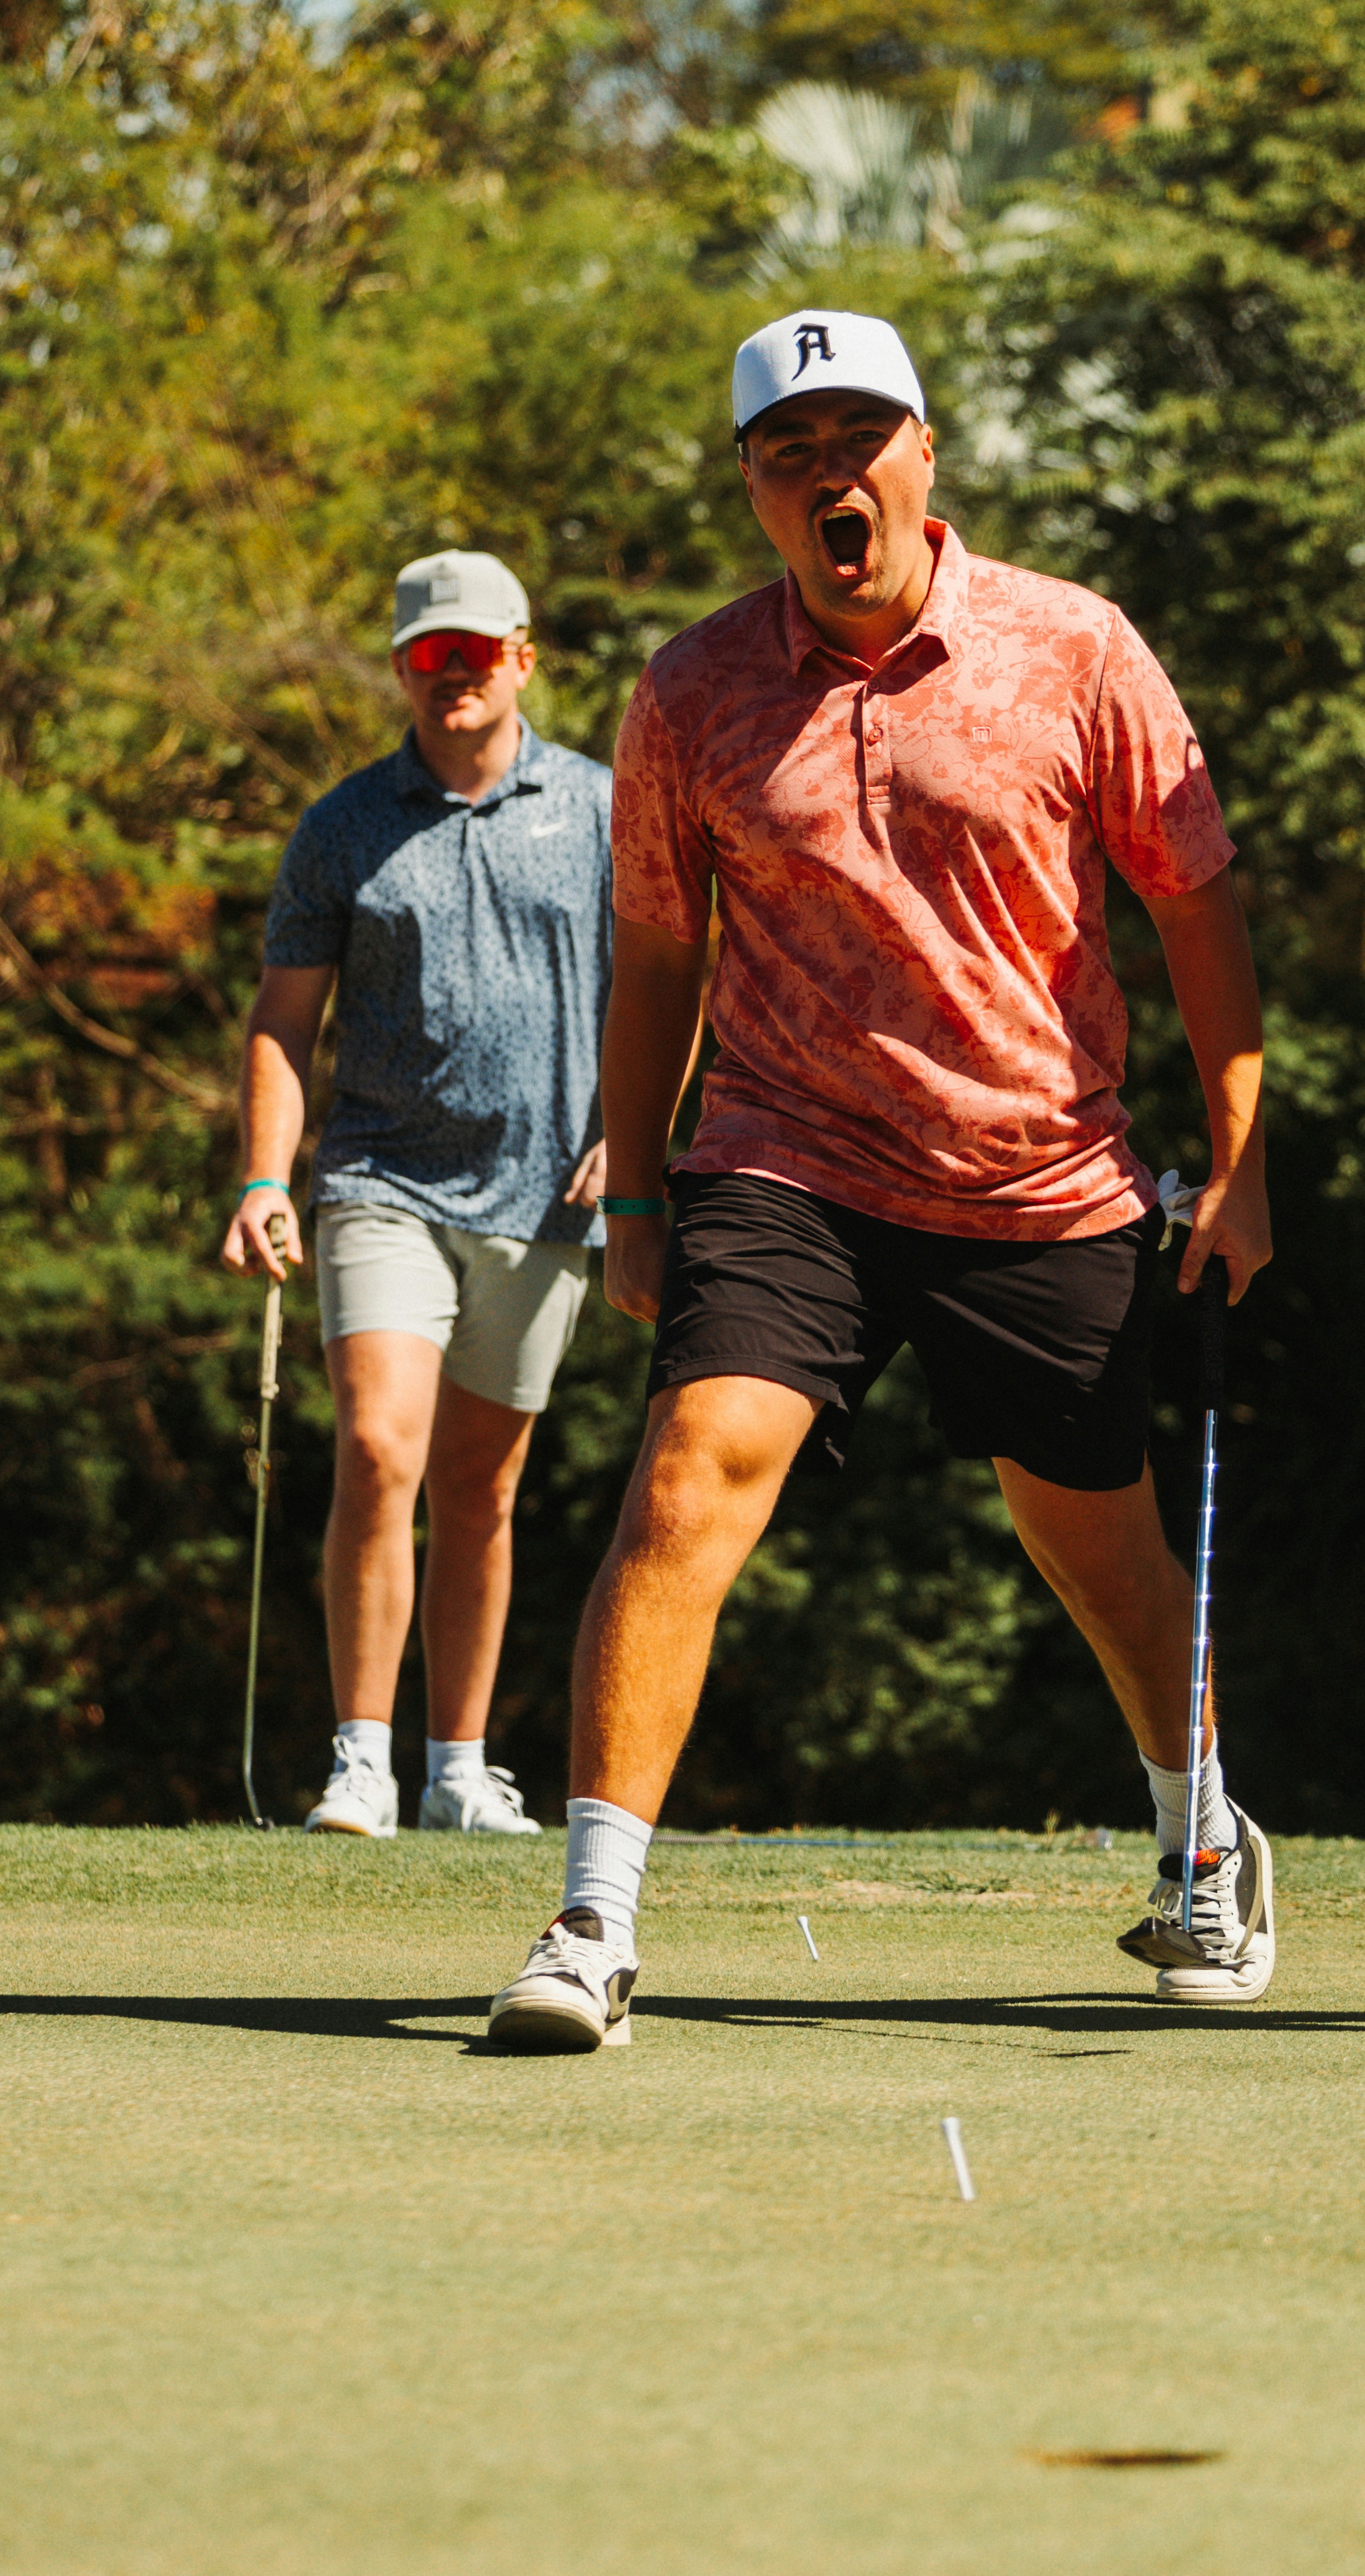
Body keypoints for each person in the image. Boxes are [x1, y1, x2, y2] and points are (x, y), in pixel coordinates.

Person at [482, 307, 1274, 2053]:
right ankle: (590, 1919)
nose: (829, 477)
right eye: (789, 453)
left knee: (1099, 1546)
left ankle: (1199, 1829)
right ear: (756, 491)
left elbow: (1194, 897)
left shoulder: (1072, 648)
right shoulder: (691, 689)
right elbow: (655, 953)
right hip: (787, 1162)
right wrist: (631, 1195)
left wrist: (1240, 1155)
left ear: (928, 456)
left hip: (1040, 1171)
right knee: (692, 1475)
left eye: (859, 441)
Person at [223, 551, 613, 1839]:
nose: (454, 674)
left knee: (481, 1490)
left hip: (548, 1198)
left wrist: (640, 1138)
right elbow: (286, 1022)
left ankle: (457, 1767)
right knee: (381, 1450)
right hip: (381, 1180)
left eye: (477, 652)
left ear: (524, 657)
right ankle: (360, 1762)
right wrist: (264, 1176)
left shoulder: (604, 811)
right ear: (400, 667)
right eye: (427, 655)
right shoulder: (344, 825)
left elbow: (678, 991)